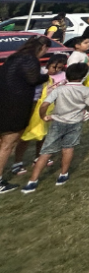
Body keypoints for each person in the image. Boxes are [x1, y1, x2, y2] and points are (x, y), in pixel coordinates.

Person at [20, 62, 89, 193]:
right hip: (75, 123)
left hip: (57, 122)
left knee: (45, 152)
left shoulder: (59, 89)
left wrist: (43, 116)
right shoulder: (86, 90)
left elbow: (44, 104)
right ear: (84, 76)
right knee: (68, 148)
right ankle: (63, 175)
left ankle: (32, 181)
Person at [0, 36, 51, 193]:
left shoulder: (13, 57)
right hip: (15, 105)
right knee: (8, 144)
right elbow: (33, 79)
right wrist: (47, 75)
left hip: (3, 100)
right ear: (42, 48)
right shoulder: (31, 60)